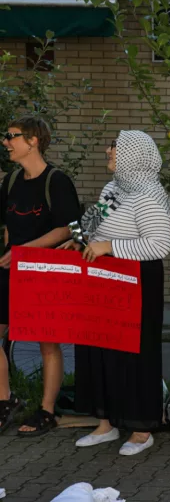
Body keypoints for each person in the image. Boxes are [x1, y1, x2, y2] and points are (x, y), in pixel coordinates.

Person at [72, 130, 170, 455]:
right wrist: (81, 238)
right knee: (99, 349)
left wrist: (110, 246)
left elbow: (159, 245)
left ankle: (142, 429)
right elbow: (94, 223)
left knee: (135, 352)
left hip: (137, 279)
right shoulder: (113, 189)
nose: (107, 151)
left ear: (132, 154)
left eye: (114, 147)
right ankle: (106, 423)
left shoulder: (148, 194)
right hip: (104, 276)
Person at [0, 116, 80, 436]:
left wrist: (25, 251)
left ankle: (46, 410)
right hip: (10, 270)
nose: (6, 141)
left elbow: (69, 228)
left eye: (12, 136)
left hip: (43, 273)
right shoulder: (10, 181)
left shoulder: (57, 181)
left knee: (48, 342)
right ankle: (6, 400)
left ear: (33, 141)